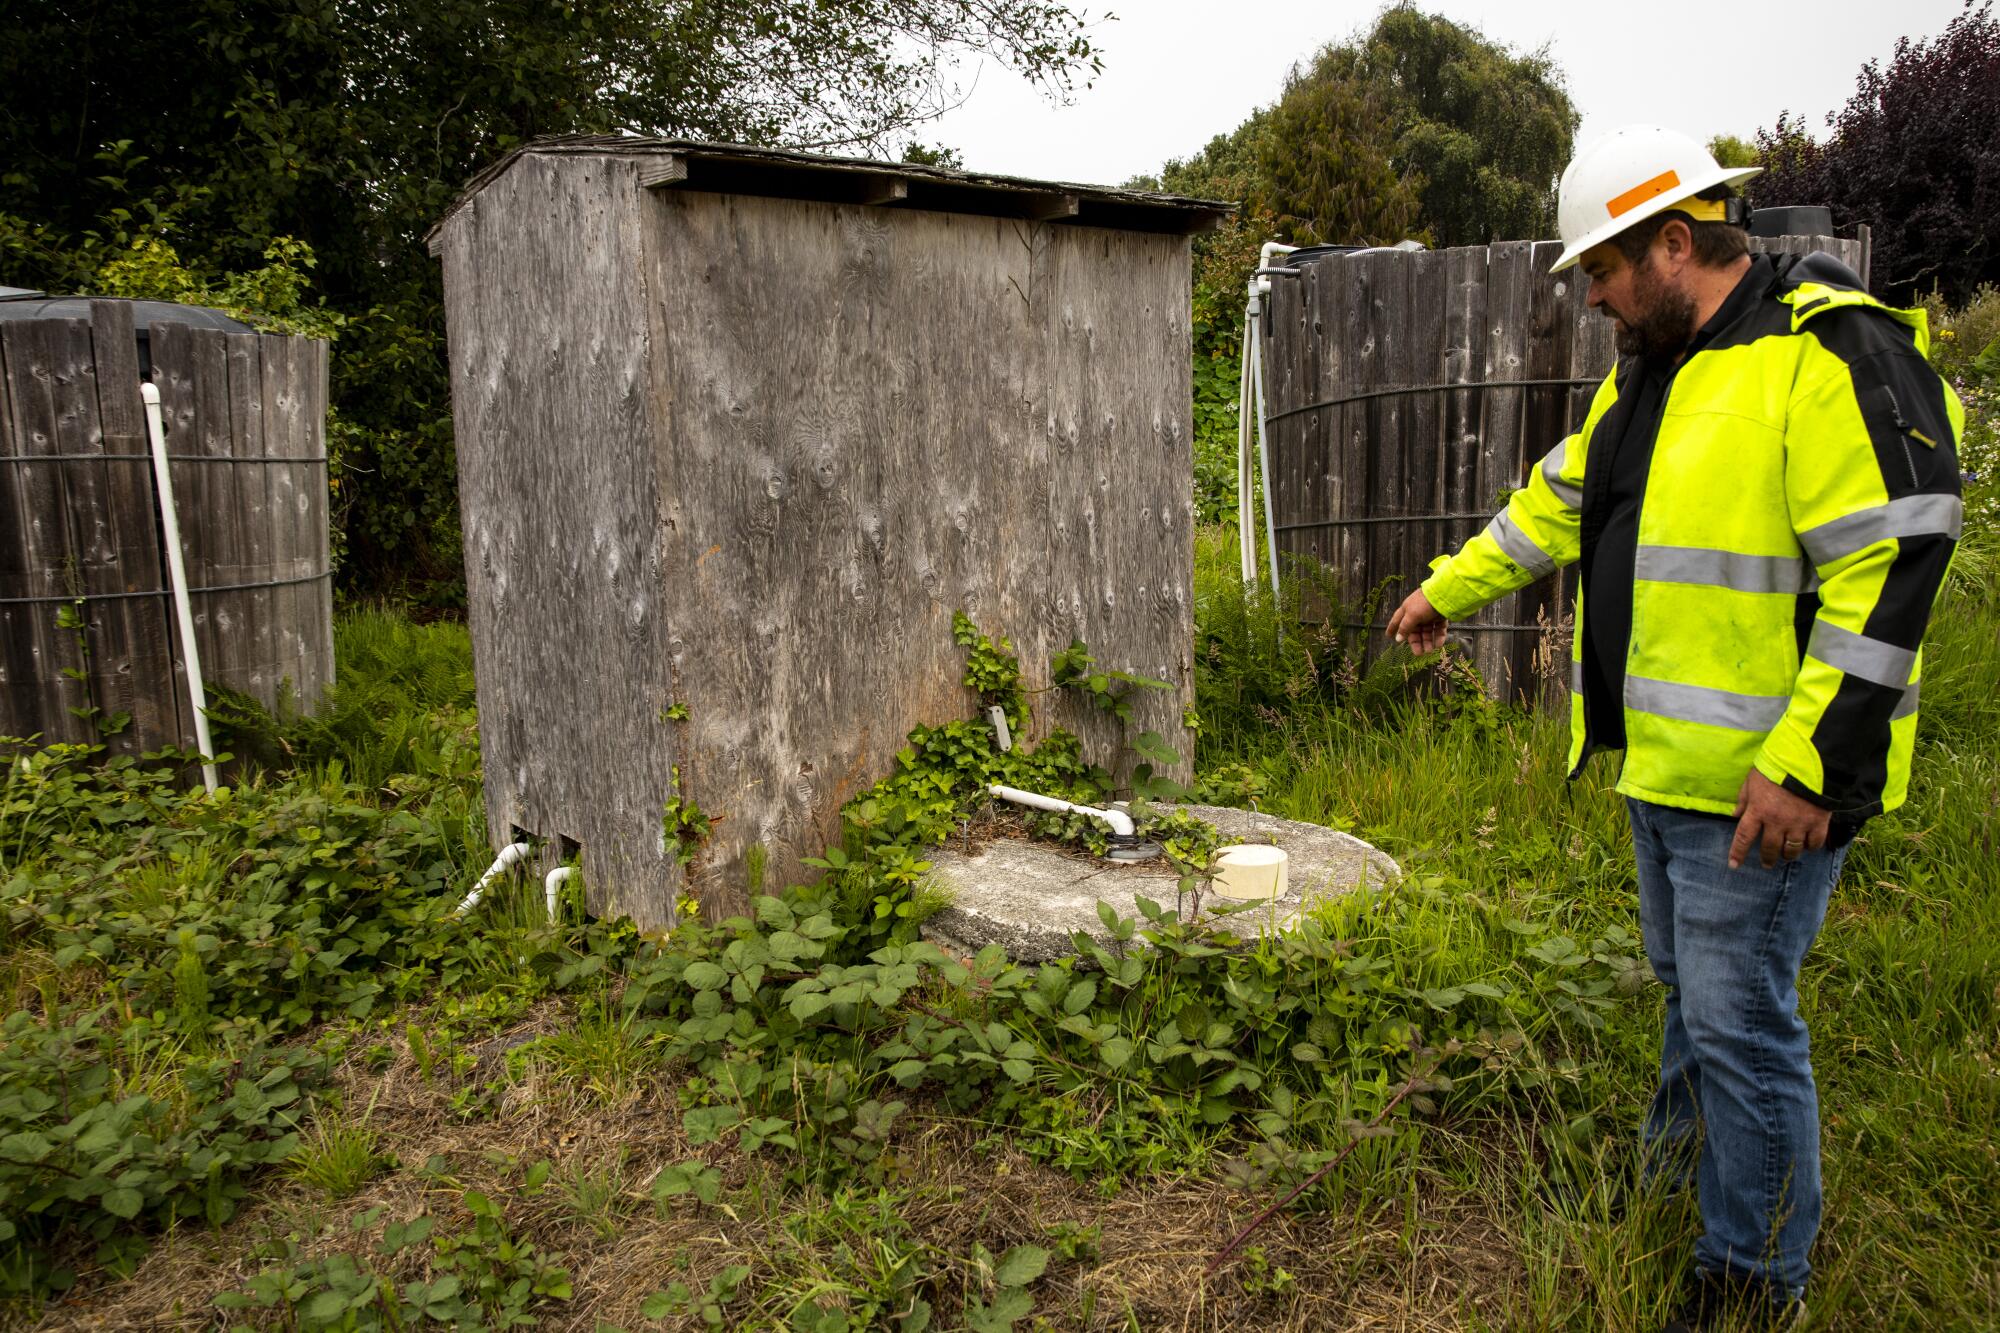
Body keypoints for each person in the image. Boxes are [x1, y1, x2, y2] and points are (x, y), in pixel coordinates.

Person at [1385, 125, 1963, 1331]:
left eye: (1598, 269)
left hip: (1766, 787)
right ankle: (1672, 1184)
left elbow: (1891, 566)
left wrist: (1806, 768)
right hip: (1665, 769)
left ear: (1671, 240)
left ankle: (1751, 1277)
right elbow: (1557, 499)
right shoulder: (1649, 368)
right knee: (1690, 998)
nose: (1590, 296)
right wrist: (1447, 584)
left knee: (1739, 1019)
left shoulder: (1824, 354)